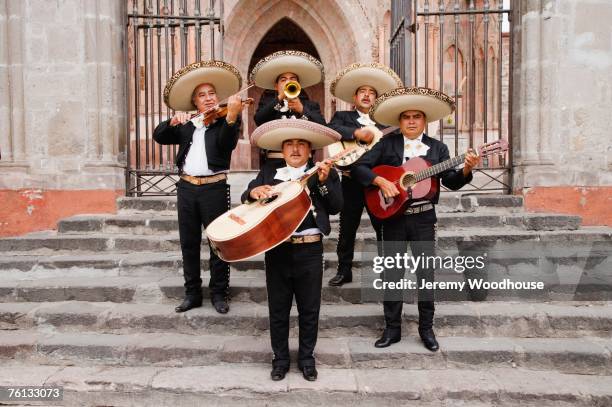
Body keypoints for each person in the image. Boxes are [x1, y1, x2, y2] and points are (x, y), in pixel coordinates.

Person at [352, 87, 480, 351]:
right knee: (392, 274)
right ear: (399, 121)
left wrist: (466, 167)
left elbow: (453, 182)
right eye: (406, 117)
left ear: (425, 120)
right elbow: (359, 167)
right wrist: (380, 181)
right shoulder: (387, 144)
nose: (411, 121)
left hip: (423, 218)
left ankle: (426, 329)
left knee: (425, 275)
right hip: (392, 218)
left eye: (417, 117)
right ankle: (392, 329)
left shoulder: (438, 148)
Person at [242, 120, 343, 382]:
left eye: (301, 144)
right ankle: (281, 359)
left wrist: (322, 182)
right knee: (278, 308)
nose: (295, 149)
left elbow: (335, 206)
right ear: (282, 149)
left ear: (310, 150)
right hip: (277, 250)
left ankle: (307, 359)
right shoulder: (269, 170)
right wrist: (254, 191)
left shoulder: (325, 171)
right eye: (290, 144)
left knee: (309, 309)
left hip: (310, 250)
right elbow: (246, 195)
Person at [153, 60, 243, 314]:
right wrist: (172, 121)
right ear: (194, 101)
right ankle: (192, 293)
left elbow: (227, 145)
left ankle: (219, 293)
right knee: (188, 243)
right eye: (201, 95)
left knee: (218, 242)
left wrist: (233, 115)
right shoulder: (187, 125)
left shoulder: (226, 122)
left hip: (214, 188)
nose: (207, 98)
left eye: (211, 94)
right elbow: (158, 136)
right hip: (186, 188)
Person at [327, 63, 403, 286]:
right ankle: (344, 270)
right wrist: (356, 133)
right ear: (355, 97)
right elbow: (331, 131)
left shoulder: (387, 124)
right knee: (347, 226)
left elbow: (392, 152)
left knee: (382, 226)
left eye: (372, 92)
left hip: (376, 183)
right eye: (363, 92)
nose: (367, 95)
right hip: (350, 182)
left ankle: (385, 270)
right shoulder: (342, 116)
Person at [250, 50, 326, 169]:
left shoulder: (311, 105)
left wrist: (302, 110)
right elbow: (259, 120)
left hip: (304, 165)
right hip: (274, 164)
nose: (288, 82)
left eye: (292, 79)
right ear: (276, 86)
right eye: (283, 80)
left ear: (298, 85)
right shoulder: (268, 104)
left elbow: (322, 127)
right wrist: (280, 97)